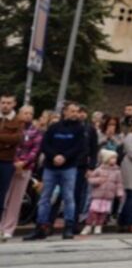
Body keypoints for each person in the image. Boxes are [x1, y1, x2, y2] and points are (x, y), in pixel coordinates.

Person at [24, 101, 90, 240]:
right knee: (45, 198)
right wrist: (53, 156)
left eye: (77, 111)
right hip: (50, 167)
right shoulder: (54, 127)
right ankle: (40, 227)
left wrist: (64, 157)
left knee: (68, 197)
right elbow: (45, 144)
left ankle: (68, 227)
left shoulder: (80, 129)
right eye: (72, 111)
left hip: (69, 167)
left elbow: (80, 147)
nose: (75, 114)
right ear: (65, 111)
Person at [1, 104, 40, 241]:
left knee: (16, 200)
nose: (28, 116)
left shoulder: (35, 131)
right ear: (19, 113)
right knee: (3, 196)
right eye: (25, 113)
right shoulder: (13, 126)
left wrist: (23, 163)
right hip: (9, 163)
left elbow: (35, 149)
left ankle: (8, 228)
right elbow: (10, 145)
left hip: (25, 167)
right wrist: (15, 161)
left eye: (30, 113)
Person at [83, 149, 124, 235]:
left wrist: (119, 193)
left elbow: (119, 183)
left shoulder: (117, 172)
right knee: (93, 210)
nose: (114, 160)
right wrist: (98, 180)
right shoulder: (99, 169)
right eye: (112, 158)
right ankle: (88, 225)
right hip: (97, 195)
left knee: (104, 212)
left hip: (108, 196)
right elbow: (90, 179)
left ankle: (99, 225)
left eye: (115, 158)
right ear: (106, 159)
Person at [0, 93, 20, 213]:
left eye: (8, 103)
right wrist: (6, 143)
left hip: (6, 162)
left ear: (14, 104)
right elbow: (10, 140)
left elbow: (16, 139)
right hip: (6, 154)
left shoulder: (18, 121)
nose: (5, 105)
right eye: (3, 102)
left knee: (1, 194)